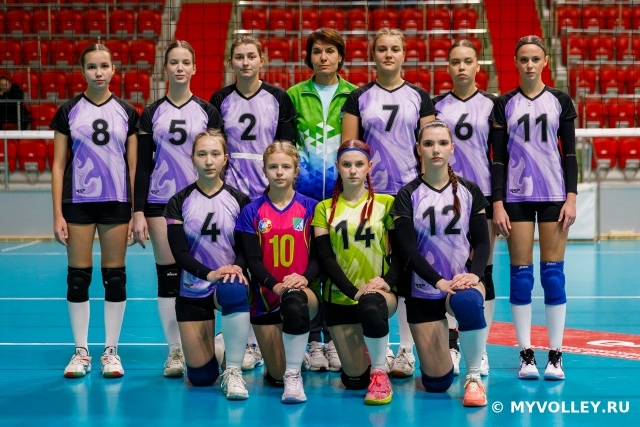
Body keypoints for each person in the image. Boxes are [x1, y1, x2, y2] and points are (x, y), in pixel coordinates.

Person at [342, 27, 436, 378]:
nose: (388, 54)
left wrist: (426, 192)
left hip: (409, 196)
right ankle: (372, 348)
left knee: (408, 269)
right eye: (382, 49)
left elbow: (430, 148)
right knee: (371, 269)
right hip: (371, 197)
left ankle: (406, 351)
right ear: (373, 55)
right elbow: (349, 151)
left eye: (394, 48)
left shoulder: (419, 97)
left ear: (404, 54)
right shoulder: (359, 97)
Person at [132, 41, 222, 378]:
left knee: (206, 275)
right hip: (160, 202)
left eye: (186, 62)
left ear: (194, 67)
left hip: (200, 202)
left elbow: (217, 160)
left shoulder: (207, 111)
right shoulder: (152, 112)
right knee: (168, 277)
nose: (180, 68)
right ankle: (175, 351)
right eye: (174, 62)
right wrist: (137, 211)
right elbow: (143, 166)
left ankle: (208, 344)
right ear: (166, 67)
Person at [490, 35, 577, 381]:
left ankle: (556, 355)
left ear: (545, 62)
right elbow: (498, 158)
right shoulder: (505, 103)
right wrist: (498, 201)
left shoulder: (560, 100)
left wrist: (571, 196)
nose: (529, 64)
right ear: (516, 62)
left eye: (535, 59)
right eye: (523, 59)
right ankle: (526, 354)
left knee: (553, 276)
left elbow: (570, 154)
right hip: (516, 196)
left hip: (554, 194)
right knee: (521, 277)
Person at [50, 44, 139, 379]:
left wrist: (135, 211)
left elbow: (134, 167)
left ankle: (111, 352)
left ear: (114, 69)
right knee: (78, 278)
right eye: (91, 67)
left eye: (104, 66)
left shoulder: (127, 112)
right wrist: (57, 214)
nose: (98, 72)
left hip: (116, 201)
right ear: (82, 71)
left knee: (114, 278)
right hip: (78, 202)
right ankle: (81, 351)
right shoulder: (69, 110)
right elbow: (58, 166)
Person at [211, 36, 297, 371]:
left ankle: (269, 336)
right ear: (230, 62)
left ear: (263, 60)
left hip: (268, 193)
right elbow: (216, 148)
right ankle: (244, 339)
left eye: (251, 56)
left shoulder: (278, 98)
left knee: (267, 263)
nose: (245, 63)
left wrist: (278, 189)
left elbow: (286, 150)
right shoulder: (221, 99)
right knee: (238, 264)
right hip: (232, 194)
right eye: (239, 57)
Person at [391, 120, 491, 407]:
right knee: (437, 384)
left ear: (452, 148)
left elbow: (483, 243)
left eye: (442, 143)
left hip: (460, 283)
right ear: (418, 149)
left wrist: (474, 276)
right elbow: (407, 249)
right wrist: (438, 282)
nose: (436, 149)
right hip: (424, 288)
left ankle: (474, 378)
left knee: (468, 303)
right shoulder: (408, 194)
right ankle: (446, 357)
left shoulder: (469, 190)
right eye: (429, 144)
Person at [288, 28, 358, 371]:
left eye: (330, 51)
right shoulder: (294, 95)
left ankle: (334, 339)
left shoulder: (354, 95)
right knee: (309, 265)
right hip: (305, 195)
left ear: (340, 56)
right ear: (309, 57)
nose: (323, 57)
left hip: (341, 196)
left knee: (337, 264)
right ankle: (314, 340)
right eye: (317, 51)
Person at [164, 129, 252, 399]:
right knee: (201, 379)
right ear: (192, 158)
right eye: (202, 154)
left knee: (233, 289)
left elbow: (247, 249)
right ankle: (222, 344)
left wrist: (235, 269)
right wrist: (210, 273)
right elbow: (179, 253)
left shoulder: (239, 200)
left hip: (227, 282)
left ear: (225, 158)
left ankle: (234, 369)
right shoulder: (179, 201)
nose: (209, 161)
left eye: (215, 154)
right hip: (193, 285)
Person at [313, 140, 400, 405]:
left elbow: (401, 251)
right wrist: (353, 292)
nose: (353, 170)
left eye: (359, 164)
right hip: (340, 297)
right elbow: (325, 257)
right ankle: (370, 355)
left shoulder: (386, 203)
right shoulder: (324, 208)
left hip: (378, 294)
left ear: (369, 167)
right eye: (347, 164)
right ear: (337, 167)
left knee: (371, 306)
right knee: (353, 380)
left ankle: (380, 371)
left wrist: (387, 281)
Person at [235, 142, 320, 403]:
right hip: (265, 297)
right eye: (273, 167)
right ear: (264, 170)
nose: (279, 172)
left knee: (294, 303)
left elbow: (320, 257)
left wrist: (304, 278)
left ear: (296, 170)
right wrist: (275, 285)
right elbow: (252, 260)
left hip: (302, 293)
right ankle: (293, 355)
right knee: (275, 377)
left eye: (286, 167)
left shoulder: (311, 208)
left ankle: (295, 368)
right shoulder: (252, 211)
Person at [432, 39, 497, 377]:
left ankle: (480, 348)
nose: (461, 67)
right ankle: (452, 346)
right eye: (455, 62)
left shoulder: (491, 104)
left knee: (483, 270)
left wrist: (498, 201)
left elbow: (500, 156)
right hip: (445, 198)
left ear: (477, 66)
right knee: (447, 272)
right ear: (448, 67)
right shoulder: (436, 106)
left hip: (481, 198)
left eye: (468, 61)